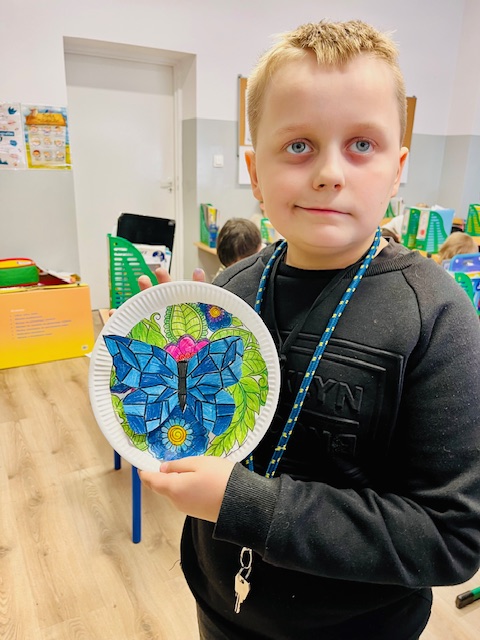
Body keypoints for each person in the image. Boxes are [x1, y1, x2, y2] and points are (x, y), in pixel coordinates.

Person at [138, 19, 480, 640]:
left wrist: (244, 504)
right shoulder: (229, 290)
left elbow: (450, 537)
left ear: (397, 169)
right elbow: (202, 430)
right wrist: (155, 362)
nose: (328, 173)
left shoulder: (437, 317)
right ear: (254, 170)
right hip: (220, 607)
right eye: (298, 145)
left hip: (361, 629)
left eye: (362, 144)